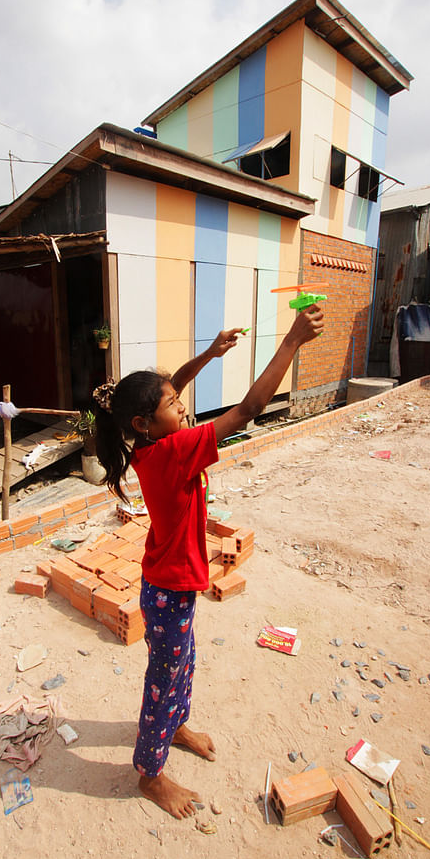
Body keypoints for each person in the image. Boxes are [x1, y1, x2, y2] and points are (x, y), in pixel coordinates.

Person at [92, 305, 324, 819]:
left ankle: (176, 726)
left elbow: (168, 383)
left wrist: (209, 355)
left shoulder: (156, 440)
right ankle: (149, 775)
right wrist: (291, 342)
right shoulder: (173, 452)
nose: (183, 407)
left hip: (175, 584)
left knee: (184, 664)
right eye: (174, 406)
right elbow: (248, 409)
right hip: (168, 590)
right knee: (163, 678)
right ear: (145, 424)